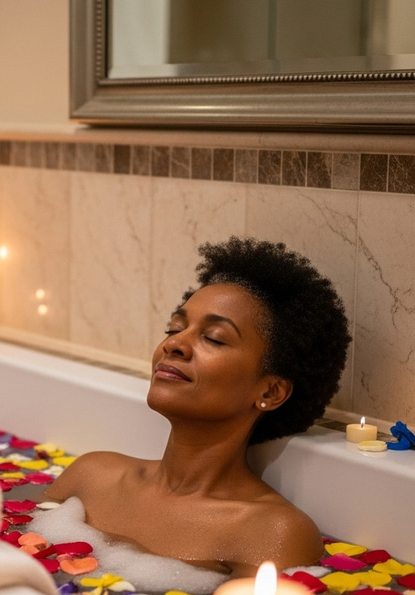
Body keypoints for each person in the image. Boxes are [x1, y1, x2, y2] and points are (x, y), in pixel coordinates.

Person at [43, 237, 351, 577]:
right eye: (175, 328)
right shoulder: (91, 477)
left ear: (271, 391)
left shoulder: (270, 531)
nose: (174, 344)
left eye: (214, 338)